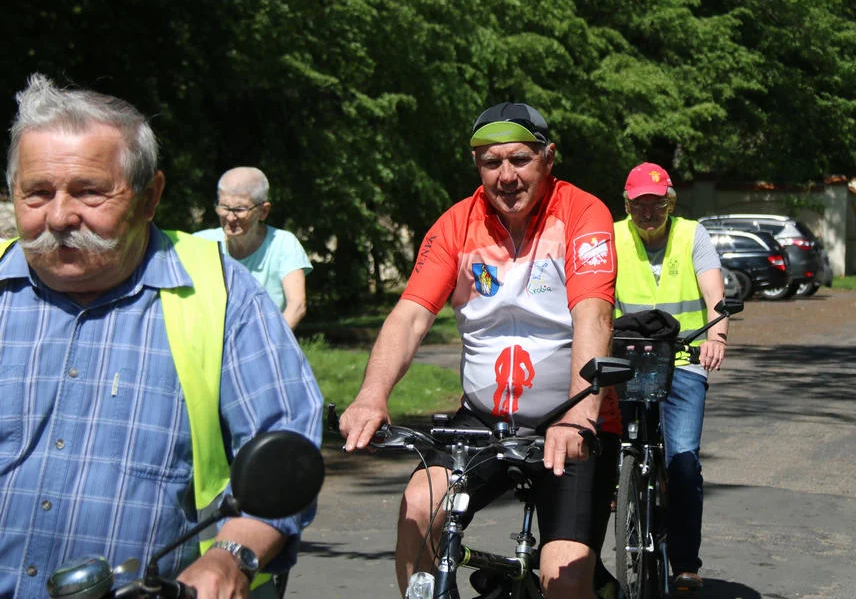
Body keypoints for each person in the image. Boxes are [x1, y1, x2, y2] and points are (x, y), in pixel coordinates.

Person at [0, 75, 324, 598]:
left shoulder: (222, 296)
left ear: (150, 197)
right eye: (36, 193)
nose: (59, 216)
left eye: (88, 192)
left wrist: (230, 558)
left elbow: (285, 447)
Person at [338, 102, 620, 599]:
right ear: (477, 166)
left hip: (570, 419)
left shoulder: (582, 212)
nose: (506, 176)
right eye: (492, 163)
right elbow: (409, 317)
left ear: (547, 159)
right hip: (484, 420)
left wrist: (580, 415)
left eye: (519, 160)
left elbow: (593, 315)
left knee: (566, 577)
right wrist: (371, 394)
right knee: (418, 510)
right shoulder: (455, 225)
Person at [612, 162, 727, 592]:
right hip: (627, 358)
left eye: (655, 203)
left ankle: (684, 562)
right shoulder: (612, 235)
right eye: (639, 204)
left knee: (682, 460)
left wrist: (717, 337)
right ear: (627, 205)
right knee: (605, 449)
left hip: (683, 360)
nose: (647, 212)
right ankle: (621, 499)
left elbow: (714, 294)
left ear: (669, 203)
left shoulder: (692, 234)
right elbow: (596, 295)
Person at [195, 167, 313, 329]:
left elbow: (297, 306)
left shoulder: (283, 244)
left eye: (240, 209)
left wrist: (270, 345)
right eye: (224, 207)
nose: (230, 217)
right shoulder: (200, 243)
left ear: (263, 211)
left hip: (266, 342)